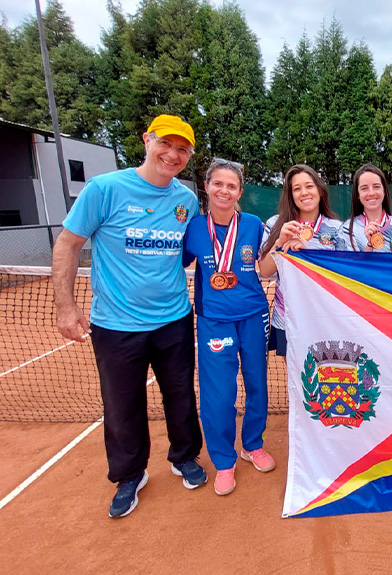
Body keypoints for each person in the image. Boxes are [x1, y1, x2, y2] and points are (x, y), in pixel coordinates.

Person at [52, 114, 206, 519]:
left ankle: (184, 456)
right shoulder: (105, 189)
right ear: (146, 140)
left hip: (174, 319)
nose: (173, 154)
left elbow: (188, 253)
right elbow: (67, 244)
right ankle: (129, 474)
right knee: (122, 404)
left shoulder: (186, 201)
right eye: (166, 144)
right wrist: (66, 307)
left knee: (180, 394)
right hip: (115, 325)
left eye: (182, 149)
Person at [182, 158, 274, 496]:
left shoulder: (253, 224)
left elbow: (265, 265)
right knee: (219, 394)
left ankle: (252, 444)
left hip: (253, 315)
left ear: (240, 192)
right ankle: (224, 461)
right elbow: (174, 266)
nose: (224, 190)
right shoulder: (193, 228)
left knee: (257, 385)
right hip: (214, 320)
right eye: (218, 184)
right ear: (207, 187)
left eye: (231, 186)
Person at [258, 165, 342, 356]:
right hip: (288, 318)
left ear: (320, 190)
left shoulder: (337, 229)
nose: (304, 193)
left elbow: (342, 275)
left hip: (326, 317)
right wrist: (280, 242)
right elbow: (264, 271)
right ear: (291, 195)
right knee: (297, 380)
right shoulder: (275, 224)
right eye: (297, 188)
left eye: (309, 186)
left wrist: (310, 254)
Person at [337, 164, 392, 253]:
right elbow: (346, 266)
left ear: (384, 191)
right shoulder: (347, 230)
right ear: (358, 194)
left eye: (376, 187)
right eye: (364, 188)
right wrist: (369, 246)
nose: (371, 193)